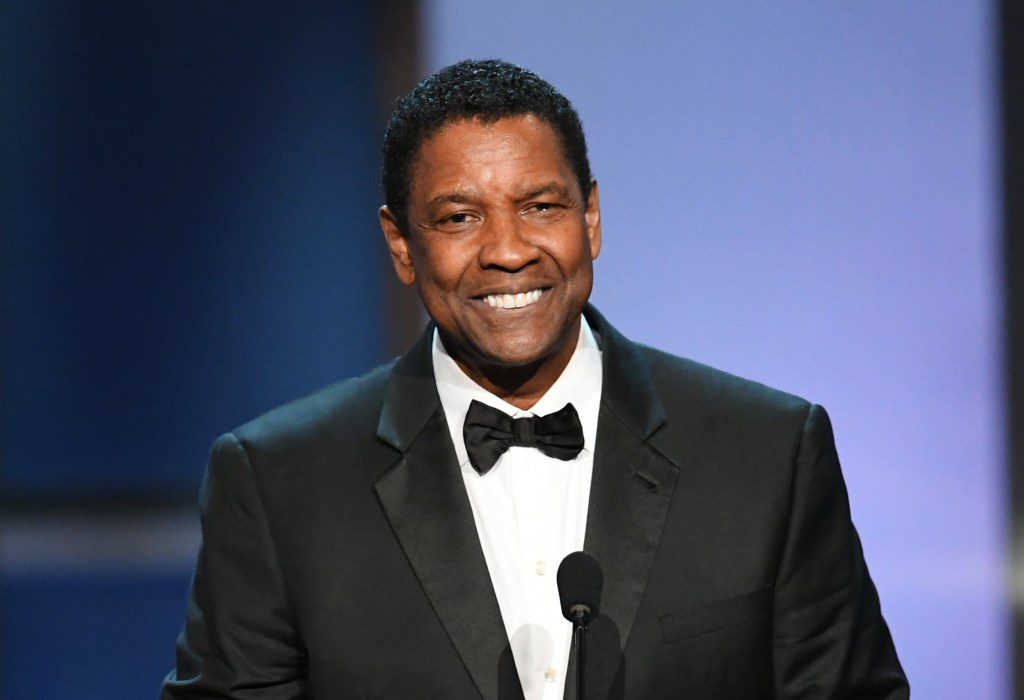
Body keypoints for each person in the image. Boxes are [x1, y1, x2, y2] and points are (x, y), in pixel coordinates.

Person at [162, 59, 908, 699]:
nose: (508, 252)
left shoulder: (765, 453)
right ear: (401, 245)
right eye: (459, 218)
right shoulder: (281, 481)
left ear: (590, 219)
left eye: (540, 207)